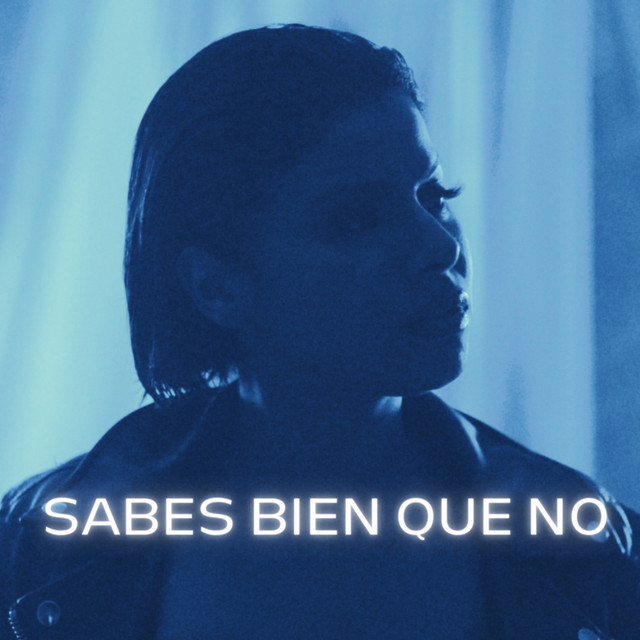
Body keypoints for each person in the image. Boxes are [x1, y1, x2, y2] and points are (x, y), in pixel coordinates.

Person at [1, 24, 639, 640]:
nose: (440, 246)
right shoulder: (37, 551)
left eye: (433, 195)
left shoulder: (593, 552)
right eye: (357, 219)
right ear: (216, 286)